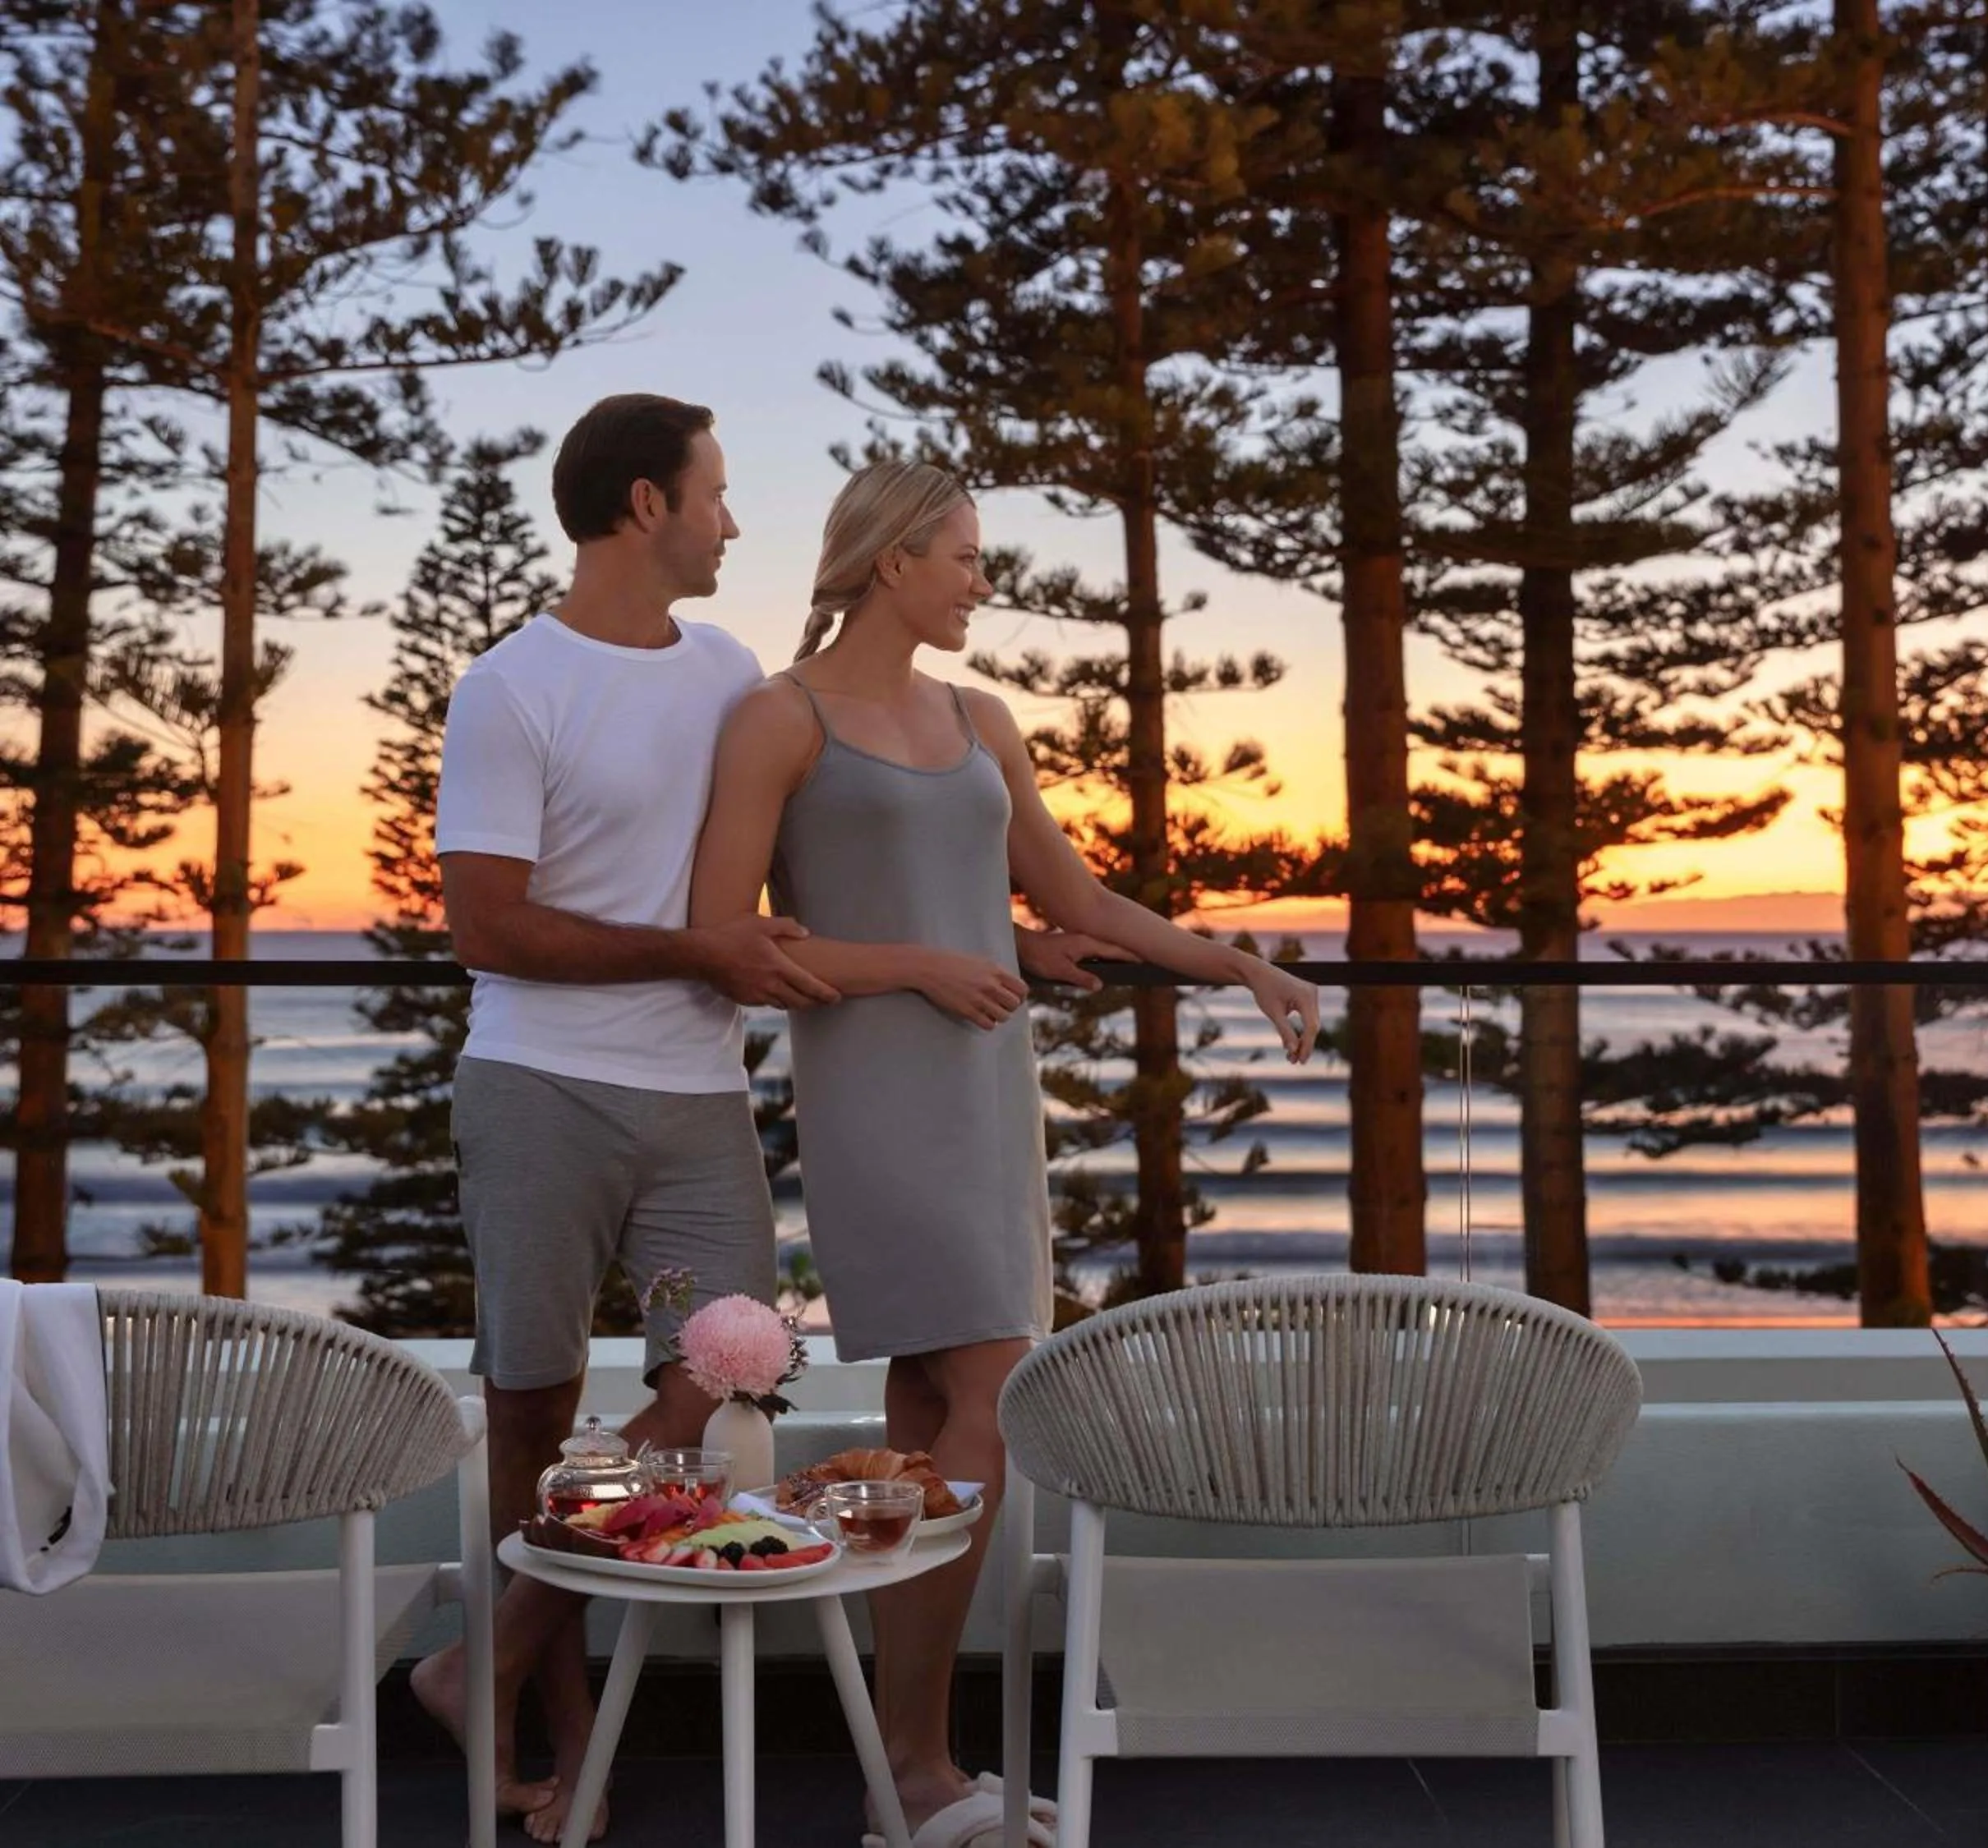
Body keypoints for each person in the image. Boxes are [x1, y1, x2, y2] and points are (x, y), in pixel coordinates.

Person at [411, 400, 1114, 1843]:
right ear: (646, 505)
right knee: (534, 1410)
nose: (736, 522)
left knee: (726, 1384)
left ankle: (481, 1659)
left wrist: (999, 935)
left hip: (699, 1095)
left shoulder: (734, 675)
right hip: (539, 1087)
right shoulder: (509, 687)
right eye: (716, 495)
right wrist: (702, 950)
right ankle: (561, 1739)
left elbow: (837, 850)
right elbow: (485, 925)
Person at [691, 458, 1321, 1846]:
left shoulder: (981, 717)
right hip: (875, 1086)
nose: (986, 581)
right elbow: (731, 938)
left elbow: (1073, 893)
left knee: (935, 1398)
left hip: (986, 1085)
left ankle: (901, 1762)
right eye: (967, 557)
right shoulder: (780, 717)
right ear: (893, 560)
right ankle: (913, 1762)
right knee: (993, 1383)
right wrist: (927, 960)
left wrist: (1236, 963)